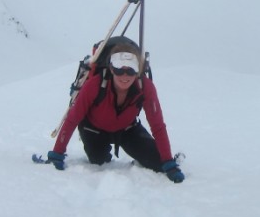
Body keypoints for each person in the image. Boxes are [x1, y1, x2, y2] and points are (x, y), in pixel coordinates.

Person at [47, 36, 184, 183]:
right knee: (99, 162)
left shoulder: (145, 87)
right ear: (111, 68)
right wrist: (57, 153)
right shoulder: (95, 84)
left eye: (131, 70)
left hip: (127, 129)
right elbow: (73, 118)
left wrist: (168, 161)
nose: (125, 76)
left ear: (138, 71)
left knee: (158, 163)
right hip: (94, 130)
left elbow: (157, 125)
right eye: (119, 70)